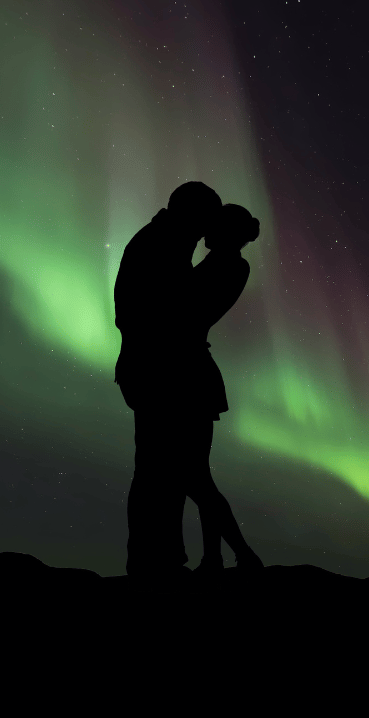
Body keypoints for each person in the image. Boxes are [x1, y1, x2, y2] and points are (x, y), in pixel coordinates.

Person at [113, 182, 262, 582]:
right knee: (176, 472)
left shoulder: (209, 259)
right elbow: (150, 311)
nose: (204, 231)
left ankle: (185, 558)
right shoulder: (168, 246)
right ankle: (188, 558)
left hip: (180, 374)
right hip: (171, 372)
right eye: (203, 221)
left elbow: (173, 310)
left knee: (179, 473)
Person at [186, 202, 265, 577]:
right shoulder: (230, 265)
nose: (204, 233)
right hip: (194, 371)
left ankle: (240, 555)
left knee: (194, 476)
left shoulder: (228, 265)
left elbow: (186, 305)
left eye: (213, 226)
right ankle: (218, 558)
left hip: (189, 372)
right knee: (198, 474)